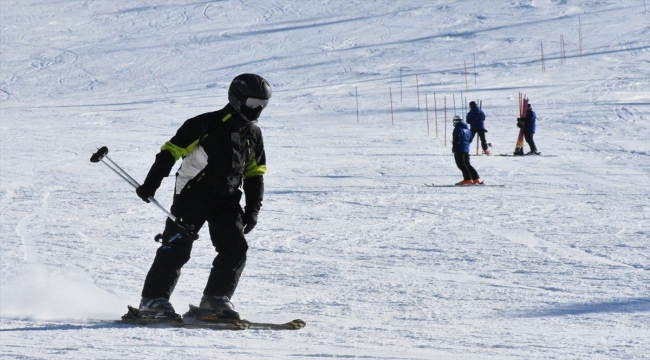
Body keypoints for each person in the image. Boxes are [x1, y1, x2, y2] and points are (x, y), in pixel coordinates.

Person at [134, 73, 271, 320]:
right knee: (177, 247)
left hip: (227, 199)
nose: (258, 110)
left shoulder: (254, 133)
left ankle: (215, 299)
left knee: (235, 248)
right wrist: (151, 183)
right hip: (192, 195)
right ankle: (153, 300)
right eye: (253, 103)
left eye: (263, 104)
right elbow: (170, 152)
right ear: (237, 99)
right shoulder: (205, 124)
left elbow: (255, 173)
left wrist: (253, 209)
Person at [452, 115, 482, 185]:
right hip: (466, 148)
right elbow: (470, 138)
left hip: (459, 149)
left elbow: (457, 137)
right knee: (467, 164)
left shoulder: (457, 128)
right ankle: (476, 178)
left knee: (461, 164)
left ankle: (468, 179)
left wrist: (455, 147)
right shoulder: (467, 129)